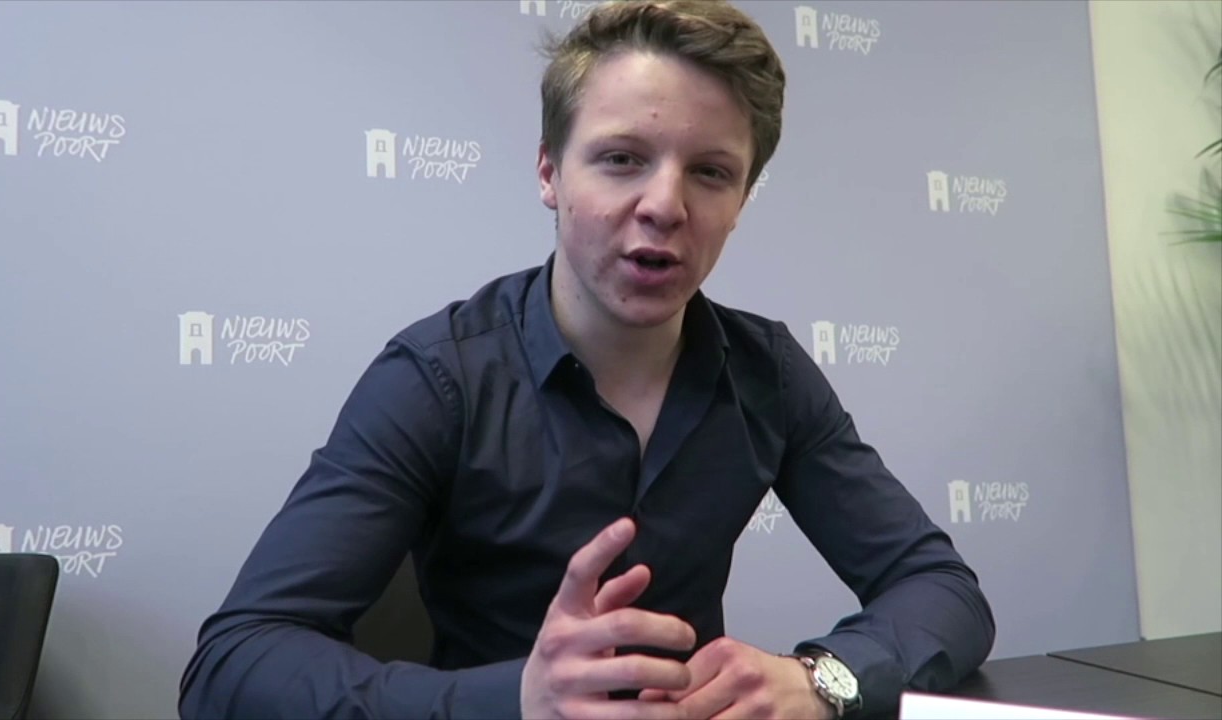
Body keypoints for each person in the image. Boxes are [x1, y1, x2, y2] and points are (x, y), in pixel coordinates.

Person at [178, 1, 995, 718]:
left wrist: (823, 679)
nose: (664, 205)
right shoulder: (438, 377)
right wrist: (516, 702)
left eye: (711, 173)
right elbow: (234, 663)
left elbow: (942, 589)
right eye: (621, 158)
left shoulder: (768, 373)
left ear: (743, 201)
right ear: (550, 172)